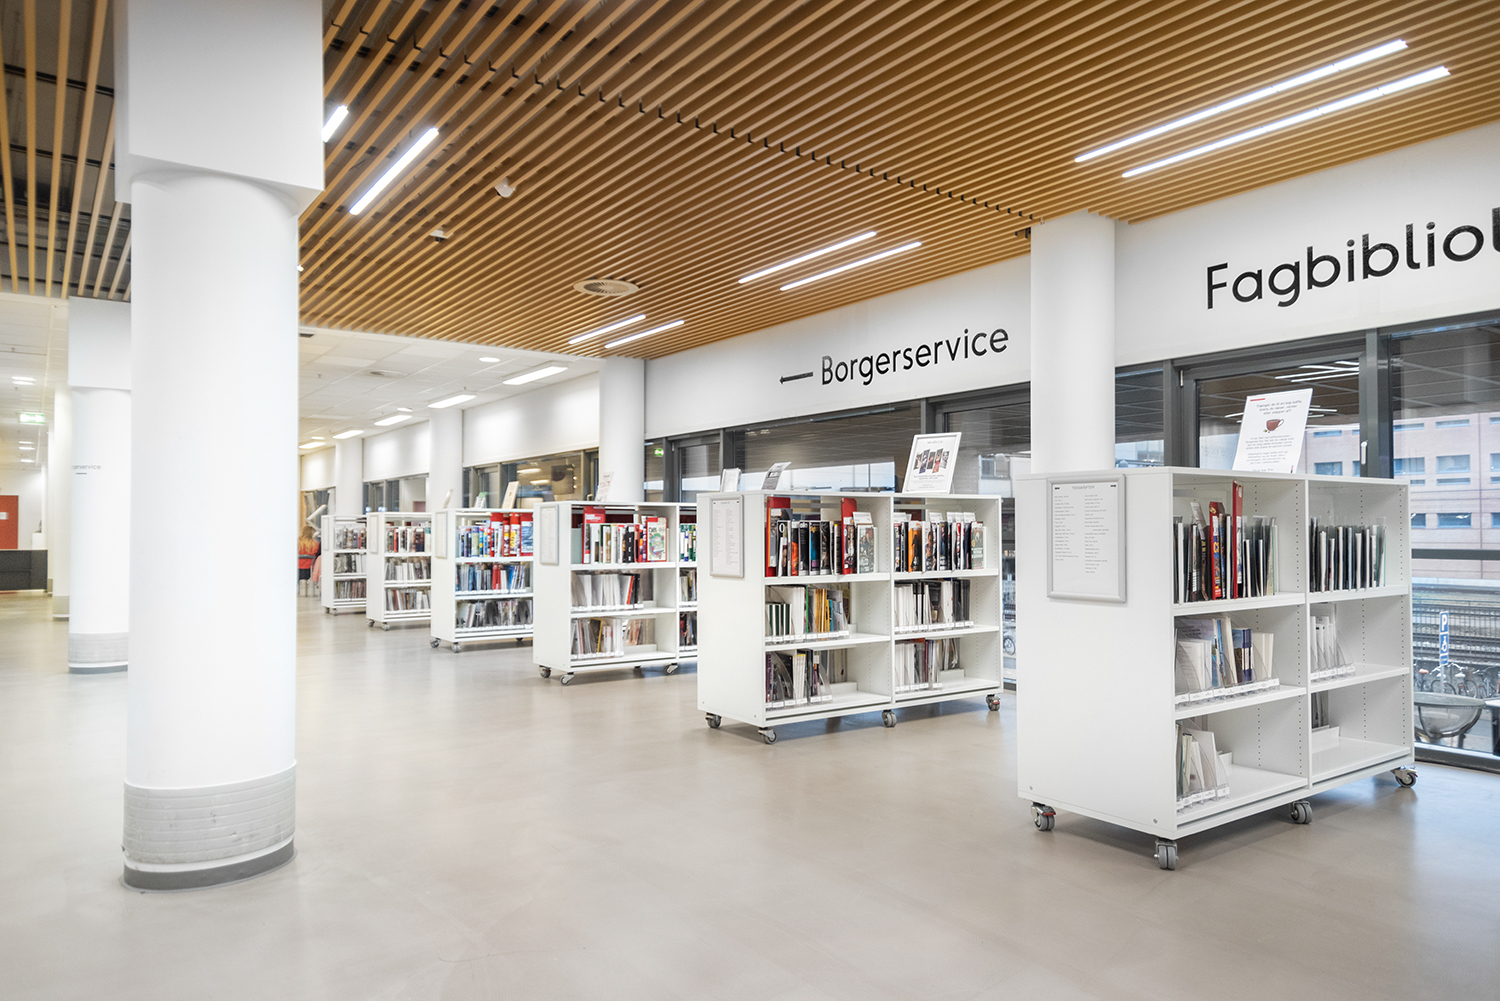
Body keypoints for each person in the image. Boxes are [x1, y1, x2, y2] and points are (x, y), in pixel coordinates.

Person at [298, 525, 321, 596]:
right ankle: (312, 593)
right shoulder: (315, 544)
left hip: (297, 569)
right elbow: (317, 556)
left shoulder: (297, 543)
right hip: (310, 569)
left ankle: (297, 591)